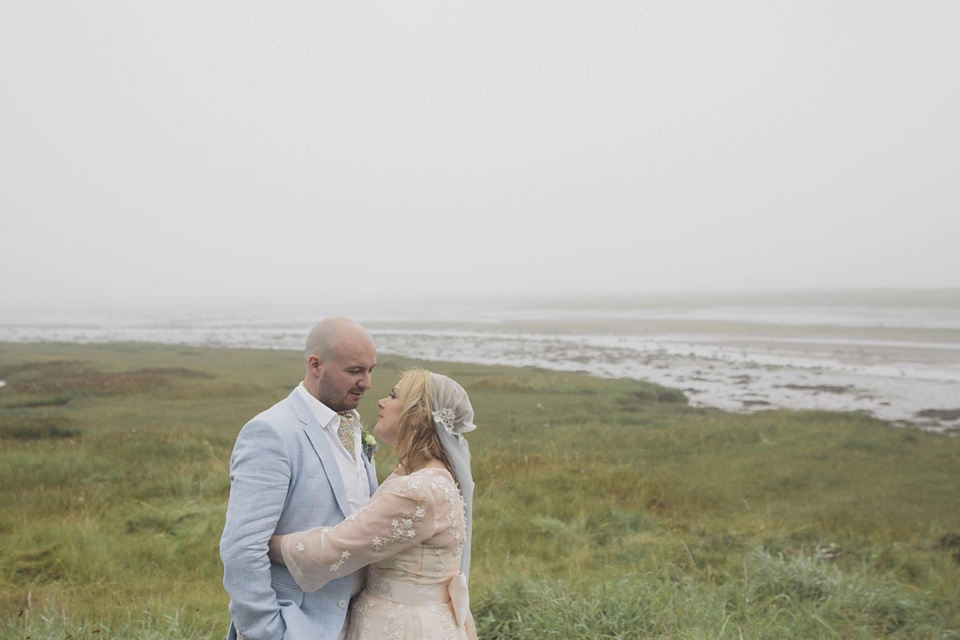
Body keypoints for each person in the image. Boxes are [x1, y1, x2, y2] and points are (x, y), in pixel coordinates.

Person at [267, 368, 478, 640]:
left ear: (418, 417)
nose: (381, 401)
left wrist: (265, 543)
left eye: (393, 396)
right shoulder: (422, 475)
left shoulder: (420, 490)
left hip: (403, 627)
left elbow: (335, 548)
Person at [220, 317, 379, 640]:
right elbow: (242, 549)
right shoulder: (272, 432)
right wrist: (270, 632)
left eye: (370, 370)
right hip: (297, 625)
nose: (367, 382)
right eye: (355, 371)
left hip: (356, 622)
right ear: (315, 364)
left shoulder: (351, 426)